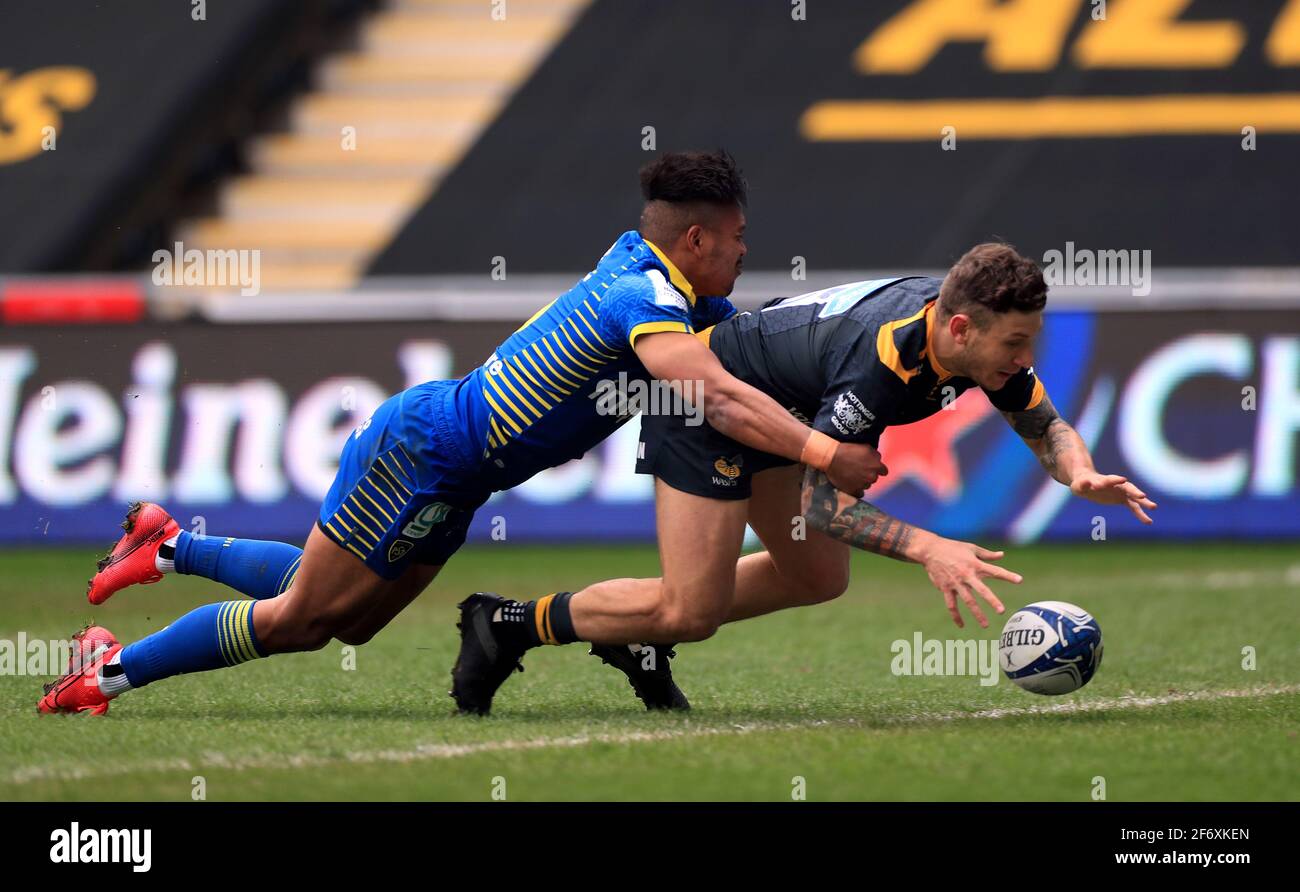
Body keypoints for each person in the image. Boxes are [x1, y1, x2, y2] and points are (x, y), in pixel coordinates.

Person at [37, 150, 885, 716]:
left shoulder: (666, 277)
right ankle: (107, 670)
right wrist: (822, 449)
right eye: (736, 240)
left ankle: (171, 543)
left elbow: (743, 353)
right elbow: (710, 391)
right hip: (422, 451)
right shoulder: (644, 300)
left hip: (462, 477)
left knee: (353, 619)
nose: (745, 252)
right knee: (302, 618)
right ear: (695, 240)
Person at [451, 242, 1157, 714]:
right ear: (962, 328)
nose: (1025, 356)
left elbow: (1042, 422)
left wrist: (1080, 471)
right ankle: (509, 623)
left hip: (791, 420)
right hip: (711, 413)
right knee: (689, 611)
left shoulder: (973, 346)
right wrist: (928, 548)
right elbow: (827, 505)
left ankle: (636, 633)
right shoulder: (882, 360)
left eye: (1030, 339)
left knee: (819, 578)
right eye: (1015, 342)